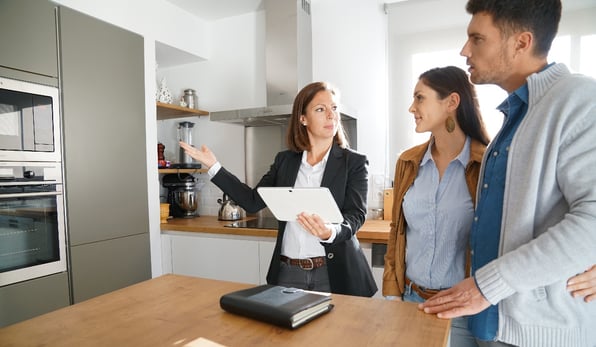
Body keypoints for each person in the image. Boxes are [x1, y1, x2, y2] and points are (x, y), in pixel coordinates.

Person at [419, 1, 596, 346]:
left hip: (544, 335)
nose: (464, 50)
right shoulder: (515, 119)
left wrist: (488, 284)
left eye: (477, 39)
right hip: (492, 326)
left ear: (521, 42)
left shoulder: (579, 99)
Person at [179, 81, 377, 297]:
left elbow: (356, 215)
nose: (331, 115)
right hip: (288, 272)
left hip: (334, 274)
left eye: (334, 108)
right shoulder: (285, 161)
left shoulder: (354, 162)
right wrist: (214, 166)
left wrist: (331, 232)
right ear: (302, 118)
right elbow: (252, 201)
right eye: (321, 109)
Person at [383, 66, 489, 347]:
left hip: (463, 308)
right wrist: (393, 294)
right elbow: (397, 231)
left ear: (452, 102)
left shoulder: (486, 163)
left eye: (420, 98)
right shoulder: (408, 162)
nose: (411, 108)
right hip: (411, 300)